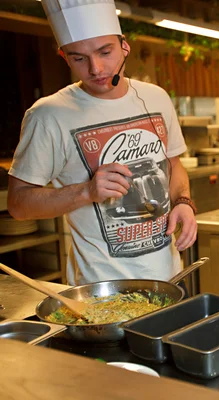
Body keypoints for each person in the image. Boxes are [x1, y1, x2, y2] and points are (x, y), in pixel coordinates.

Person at [7, 0, 197, 285]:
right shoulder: (47, 115)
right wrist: (86, 191)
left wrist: (183, 201)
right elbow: (18, 204)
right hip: (99, 291)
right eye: (78, 58)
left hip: (169, 280)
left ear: (124, 46)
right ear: (63, 56)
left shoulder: (156, 97)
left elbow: (173, 164)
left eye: (104, 52)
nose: (95, 69)